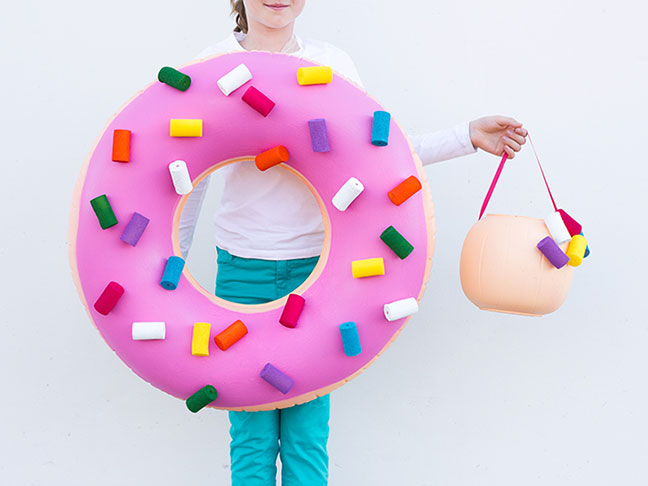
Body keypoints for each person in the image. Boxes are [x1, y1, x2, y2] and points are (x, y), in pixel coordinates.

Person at [179, 1, 528, 485]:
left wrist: (465, 137)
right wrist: (168, 272)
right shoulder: (209, 64)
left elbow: (380, 153)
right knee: (252, 432)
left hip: (319, 272)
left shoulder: (332, 65)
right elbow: (182, 179)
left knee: (307, 432)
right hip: (243, 267)